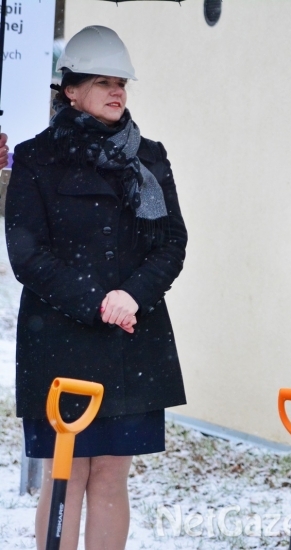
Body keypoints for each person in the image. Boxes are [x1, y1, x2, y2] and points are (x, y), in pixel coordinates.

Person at [5, 26, 187, 550]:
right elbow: (27, 254)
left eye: (121, 83)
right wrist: (97, 301)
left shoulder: (149, 157)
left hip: (131, 338)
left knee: (110, 473)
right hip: (60, 337)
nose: (117, 92)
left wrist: (131, 296)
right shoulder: (36, 158)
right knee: (67, 473)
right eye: (104, 82)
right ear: (71, 90)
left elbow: (172, 242)